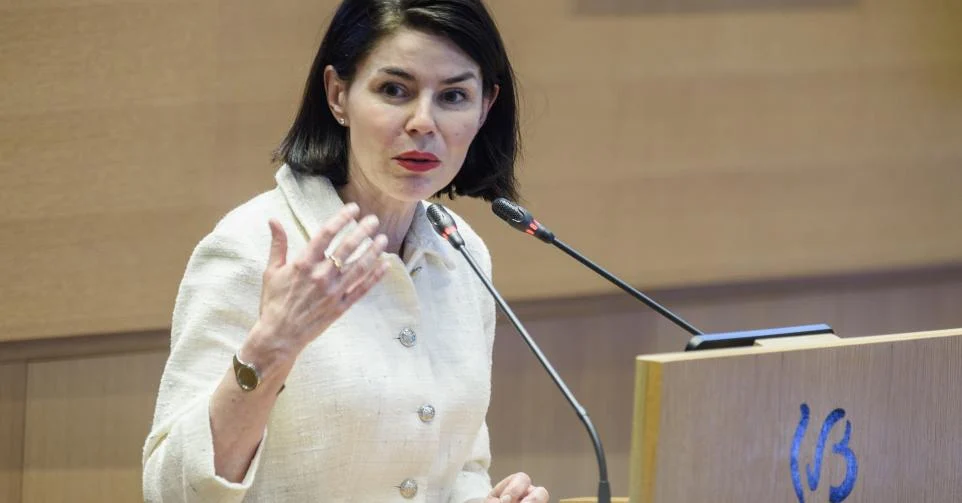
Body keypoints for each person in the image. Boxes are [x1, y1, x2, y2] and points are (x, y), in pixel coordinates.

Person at [142, 0, 549, 502]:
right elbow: (170, 491)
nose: (424, 122)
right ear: (338, 95)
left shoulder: (460, 254)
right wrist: (271, 348)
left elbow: (457, 466)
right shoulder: (250, 247)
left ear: (485, 108)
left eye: (453, 96)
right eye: (394, 90)